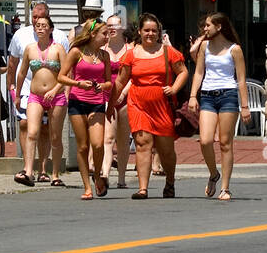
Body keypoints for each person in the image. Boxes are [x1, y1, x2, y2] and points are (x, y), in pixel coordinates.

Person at [115, 14, 187, 199]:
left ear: (159, 32)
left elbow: (183, 72)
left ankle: (170, 181)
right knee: (142, 143)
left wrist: (174, 88)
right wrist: (110, 101)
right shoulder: (130, 54)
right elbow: (121, 80)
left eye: (154, 30)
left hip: (162, 104)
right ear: (139, 31)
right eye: (146, 30)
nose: (150, 33)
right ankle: (142, 188)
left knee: (166, 149)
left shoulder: (167, 52)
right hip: (138, 103)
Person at [188, 12, 251, 201]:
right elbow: (199, 72)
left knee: (225, 143)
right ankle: (213, 173)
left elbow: (240, 79)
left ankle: (225, 187)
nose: (205, 29)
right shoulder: (205, 46)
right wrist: (193, 95)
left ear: (219, 26)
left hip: (228, 95)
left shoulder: (235, 49)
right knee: (206, 140)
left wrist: (245, 105)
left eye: (208, 25)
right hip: (207, 95)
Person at [8, 3, 70, 184]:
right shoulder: (29, 48)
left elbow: (67, 74)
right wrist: (16, 93)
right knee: (31, 131)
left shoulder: (58, 47)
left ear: (51, 29)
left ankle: (55, 174)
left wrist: (58, 90)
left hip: (56, 96)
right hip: (34, 95)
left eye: (44, 26)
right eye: (37, 25)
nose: (40, 28)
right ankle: (28, 171)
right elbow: (20, 71)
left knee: (55, 135)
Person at [59, 18, 115, 200]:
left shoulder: (104, 56)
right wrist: (78, 83)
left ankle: (97, 175)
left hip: (97, 101)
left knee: (98, 144)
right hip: (77, 101)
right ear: (93, 34)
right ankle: (87, 186)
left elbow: (109, 82)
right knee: (83, 146)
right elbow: (61, 77)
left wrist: (103, 86)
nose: (107, 37)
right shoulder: (76, 52)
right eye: (104, 33)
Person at [99, 13, 132, 189]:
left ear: (122, 28)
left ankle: (121, 177)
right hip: (107, 95)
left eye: (115, 26)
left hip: (126, 97)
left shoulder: (130, 49)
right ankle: (105, 174)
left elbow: (134, 76)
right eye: (109, 26)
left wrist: (123, 93)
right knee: (108, 137)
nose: (111, 29)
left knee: (123, 139)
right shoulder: (103, 49)